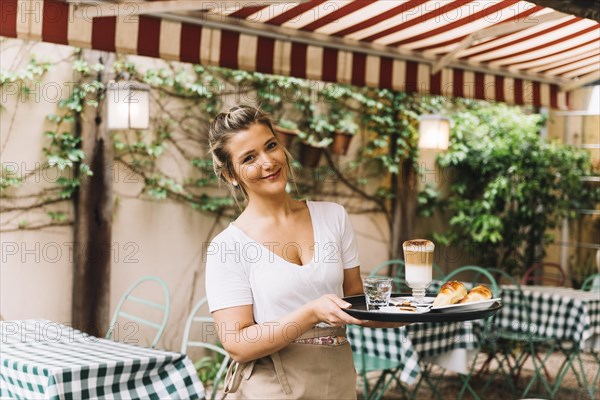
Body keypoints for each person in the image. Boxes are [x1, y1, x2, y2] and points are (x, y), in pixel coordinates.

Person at [205, 105, 404, 399]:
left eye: (271, 146)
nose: (268, 161)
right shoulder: (228, 247)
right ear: (230, 175)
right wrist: (311, 313)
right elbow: (237, 343)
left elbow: (356, 303)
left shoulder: (333, 216)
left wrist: (419, 309)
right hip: (271, 386)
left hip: (337, 380)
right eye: (249, 158)